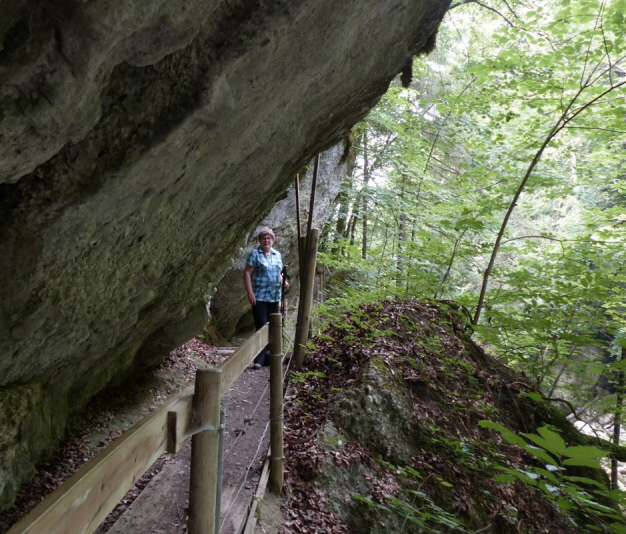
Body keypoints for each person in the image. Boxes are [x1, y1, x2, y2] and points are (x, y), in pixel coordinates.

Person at [243, 227, 288, 369]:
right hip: (259, 296)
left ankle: (270, 357)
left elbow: (279, 272)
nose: (266, 240)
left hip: (275, 296)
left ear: (273, 240)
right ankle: (259, 360)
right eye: (263, 238)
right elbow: (247, 273)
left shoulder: (277, 255)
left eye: (269, 238)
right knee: (261, 326)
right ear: (260, 240)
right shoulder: (254, 254)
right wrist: (250, 293)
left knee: (273, 326)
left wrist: (284, 282)